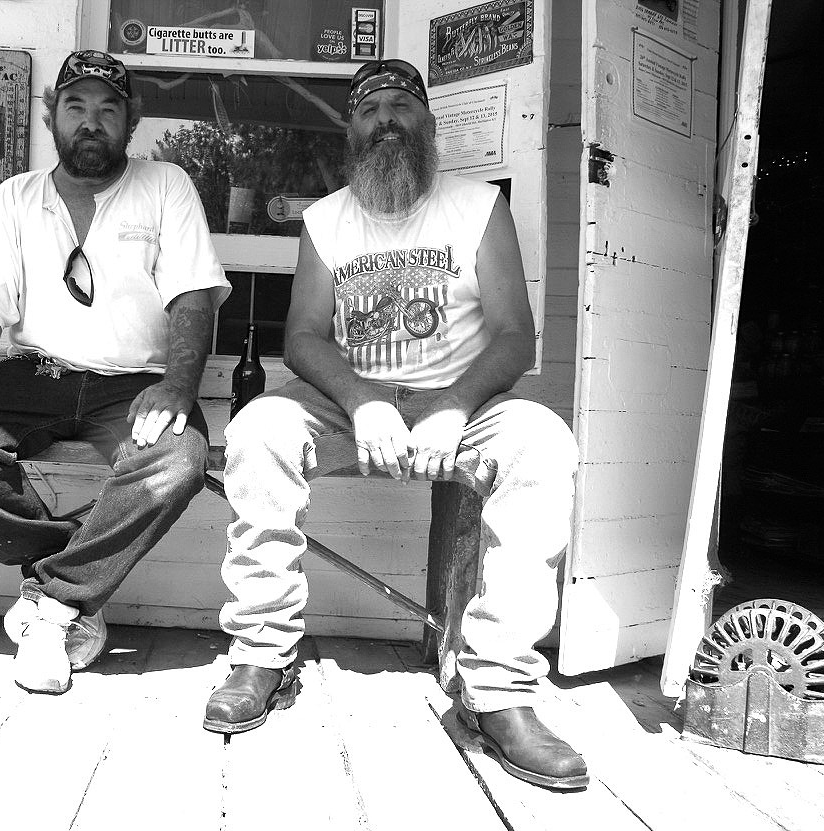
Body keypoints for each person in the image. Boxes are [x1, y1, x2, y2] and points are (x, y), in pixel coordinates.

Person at [202, 59, 588, 791]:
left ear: (428, 125)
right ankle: (264, 652)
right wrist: (363, 399)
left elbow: (513, 336)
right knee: (258, 430)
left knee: (542, 441)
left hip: (458, 401)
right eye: (368, 107)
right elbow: (304, 337)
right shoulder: (326, 218)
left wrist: (450, 406)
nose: (385, 117)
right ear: (350, 132)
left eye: (400, 105)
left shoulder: (477, 207)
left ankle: (495, 689)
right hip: (355, 404)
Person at [0, 50, 230, 696]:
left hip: (132, 384)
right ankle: (66, 569)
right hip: (35, 376)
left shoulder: (166, 184)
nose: (91, 123)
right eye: (75, 107)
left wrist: (176, 387)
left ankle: (52, 607)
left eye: (107, 110)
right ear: (49, 114)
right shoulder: (16, 196)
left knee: (179, 460)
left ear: (132, 119)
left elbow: (193, 300)